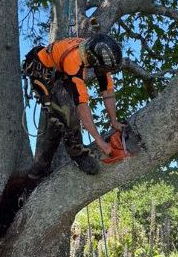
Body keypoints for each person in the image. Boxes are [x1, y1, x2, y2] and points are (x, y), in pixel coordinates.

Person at [23, 33, 124, 177]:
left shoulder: (94, 53)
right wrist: (101, 142)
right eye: (101, 69)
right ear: (93, 59)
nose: (102, 72)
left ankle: (40, 167)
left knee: (58, 122)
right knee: (68, 114)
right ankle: (78, 155)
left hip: (59, 71)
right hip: (42, 72)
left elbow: (108, 92)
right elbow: (82, 107)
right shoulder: (74, 60)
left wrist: (114, 121)